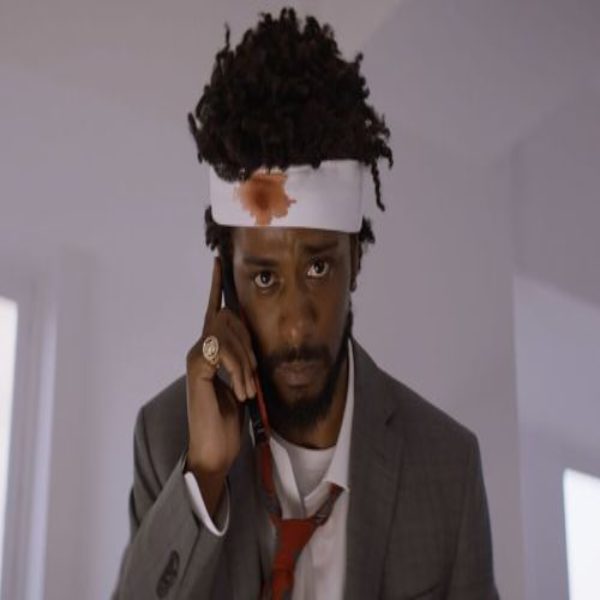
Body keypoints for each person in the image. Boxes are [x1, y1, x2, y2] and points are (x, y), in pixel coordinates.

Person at [113, 8, 499, 599]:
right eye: (265, 278)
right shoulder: (167, 439)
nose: (296, 324)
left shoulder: (448, 466)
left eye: (318, 267)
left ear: (355, 259)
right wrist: (206, 474)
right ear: (226, 283)